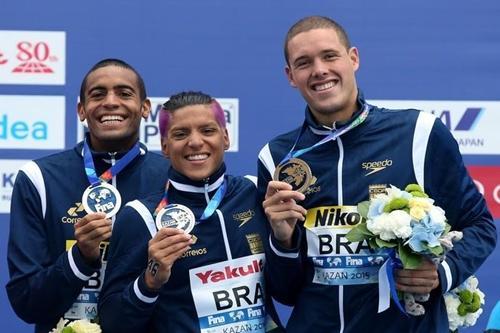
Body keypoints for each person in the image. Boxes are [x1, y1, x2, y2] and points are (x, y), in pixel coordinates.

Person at [257, 16, 497, 332]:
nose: (319, 70)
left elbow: (480, 225)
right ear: (291, 76)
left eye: (330, 56)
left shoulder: (419, 134)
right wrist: (283, 240)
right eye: (304, 63)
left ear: (353, 58)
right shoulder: (277, 158)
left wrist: (442, 273)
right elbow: (286, 292)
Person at [6, 58, 169, 333]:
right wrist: (80, 257)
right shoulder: (38, 179)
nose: (110, 102)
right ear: (81, 110)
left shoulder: (172, 179)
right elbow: (27, 302)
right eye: (98, 94)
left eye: (124, 93)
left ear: (145, 108)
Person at [98, 91, 282, 333]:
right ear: (164, 146)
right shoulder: (140, 216)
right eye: (181, 134)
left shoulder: (254, 193)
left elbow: (288, 290)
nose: (195, 142)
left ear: (225, 137)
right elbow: (113, 323)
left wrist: (286, 241)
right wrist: (150, 281)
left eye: (207, 131)